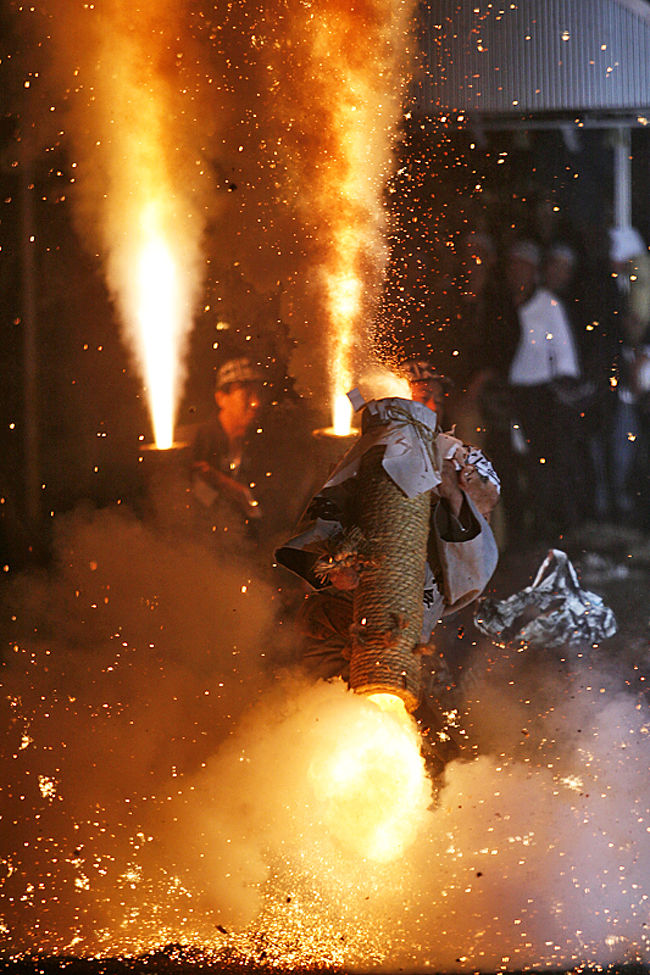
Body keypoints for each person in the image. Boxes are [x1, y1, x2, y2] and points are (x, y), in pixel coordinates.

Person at [190, 356, 266, 541]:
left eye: (258, 394)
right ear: (221, 398)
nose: (256, 403)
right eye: (246, 394)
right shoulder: (198, 443)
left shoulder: (261, 442)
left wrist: (222, 482)